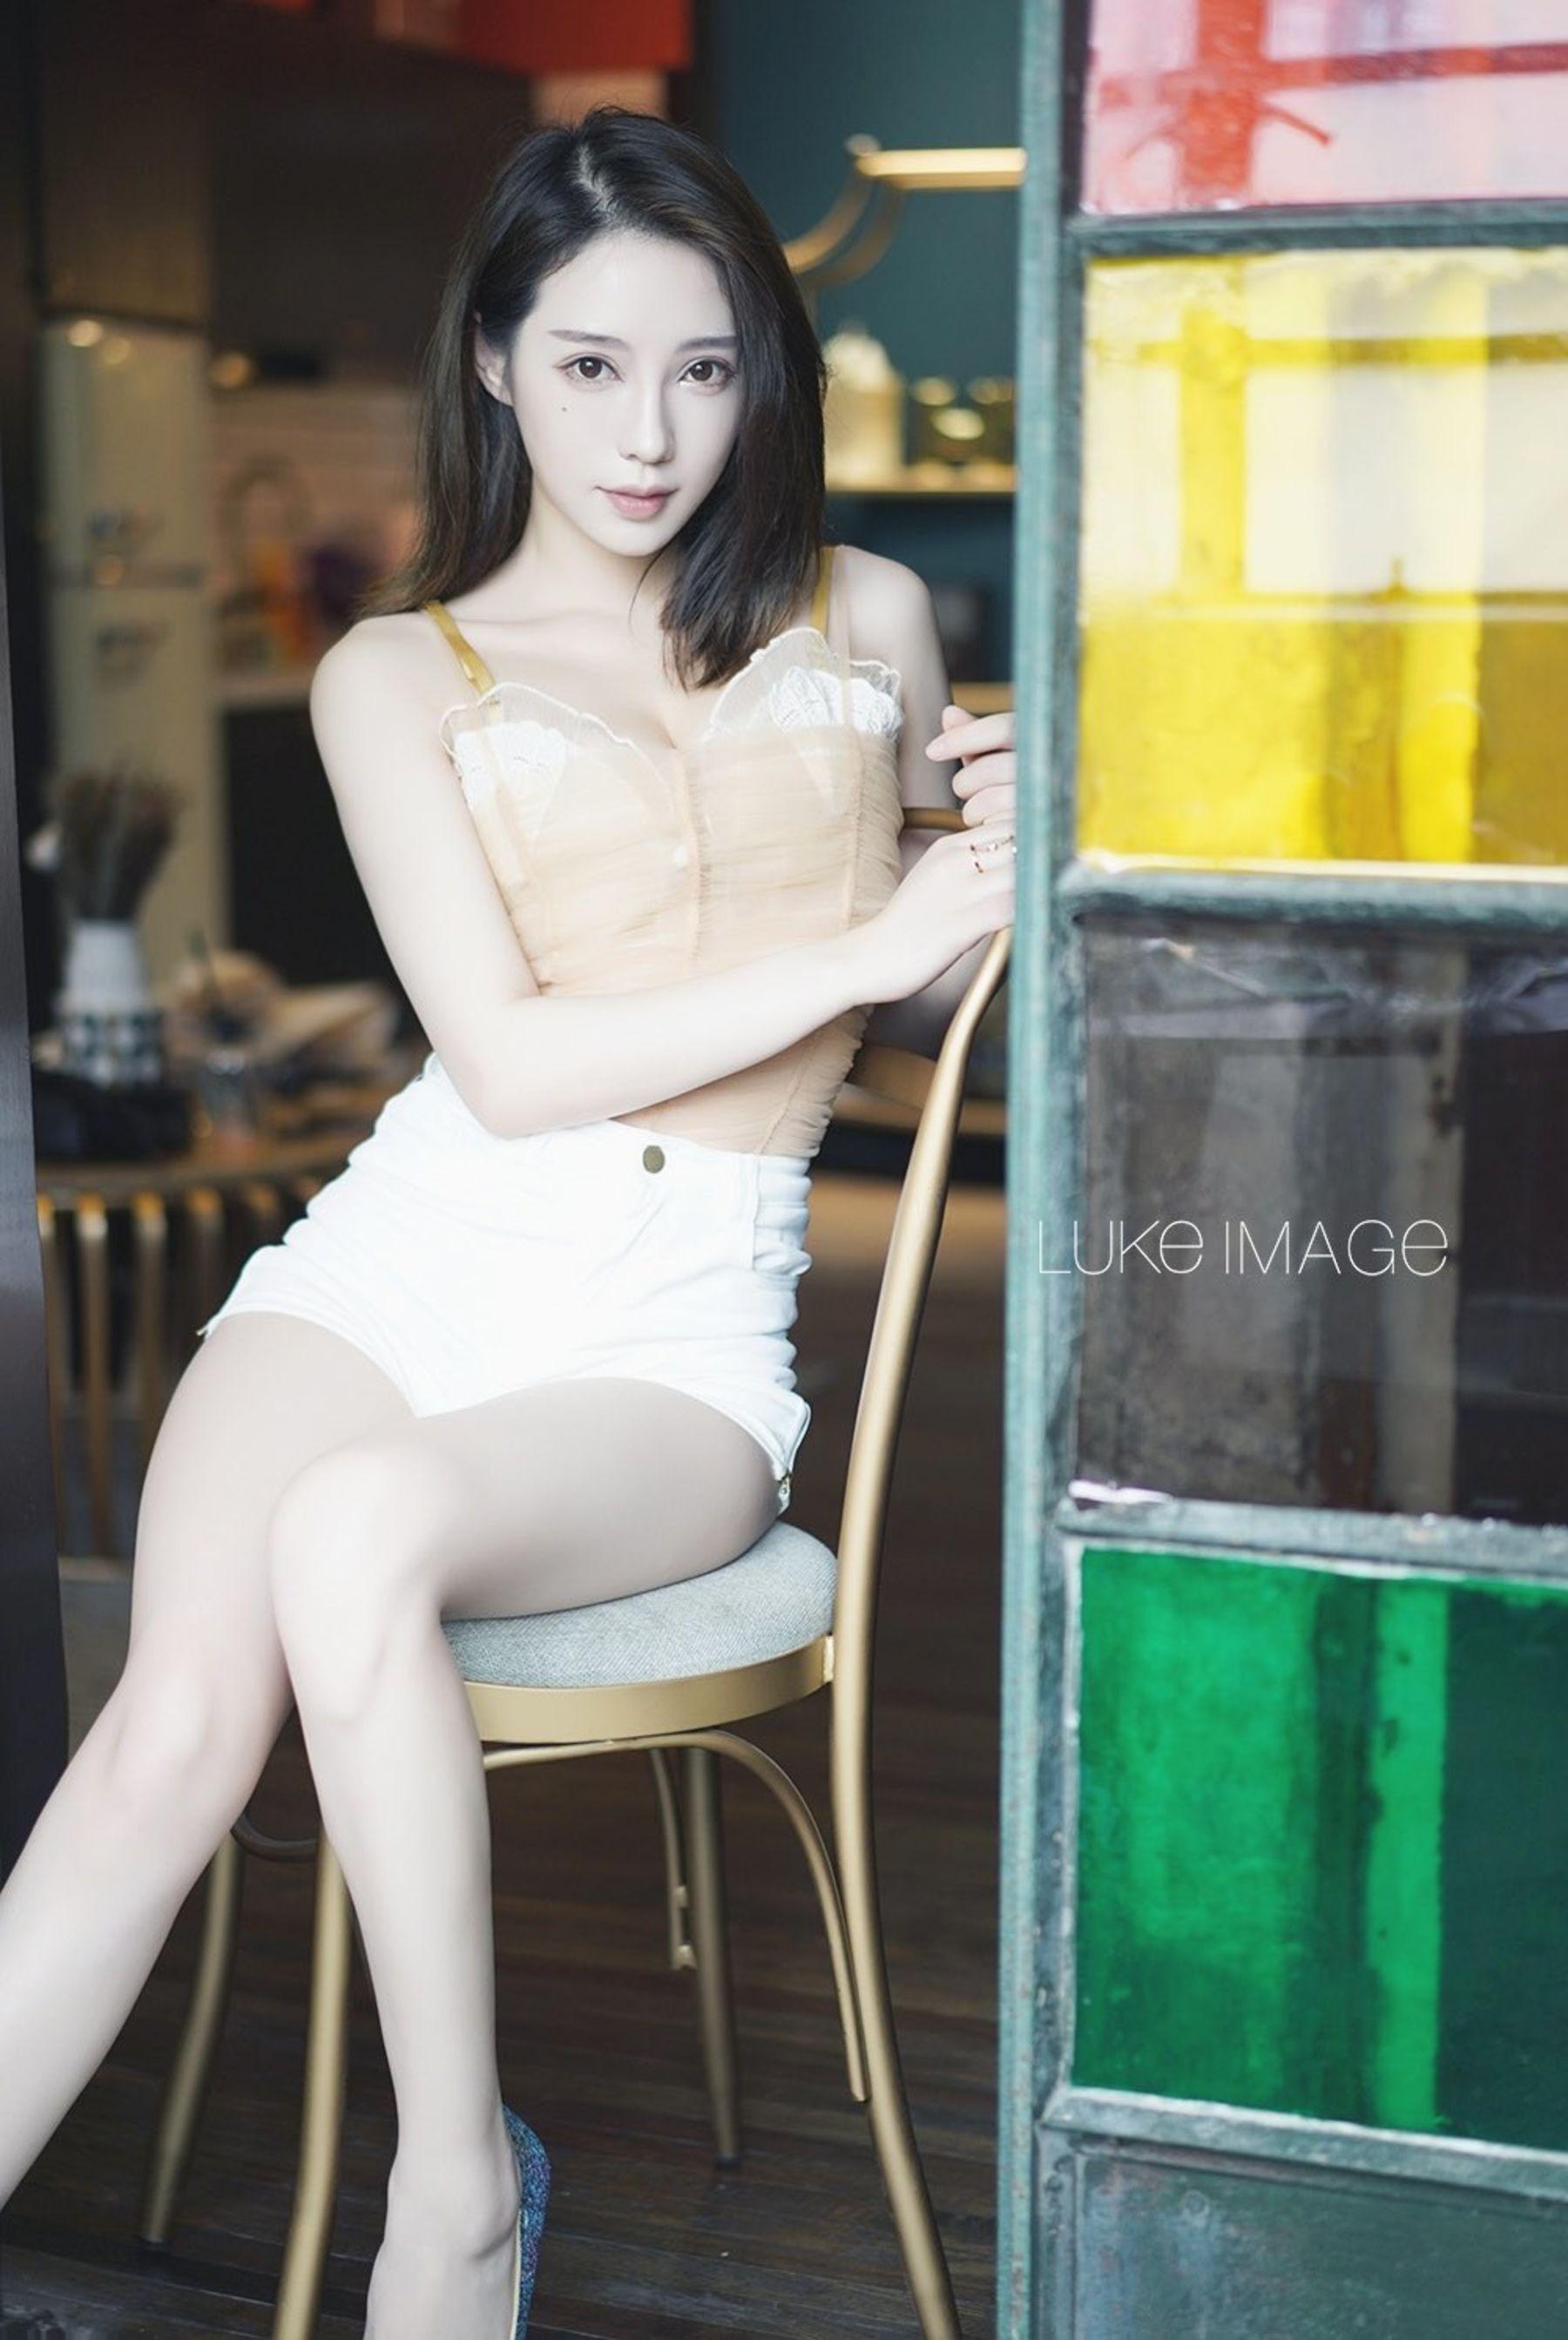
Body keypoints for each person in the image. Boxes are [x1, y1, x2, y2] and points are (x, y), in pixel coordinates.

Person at [0, 106, 1016, 2339]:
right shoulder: (397, 668)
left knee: (355, 1528)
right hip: (406, 1256)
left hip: (668, 1326)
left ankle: (449, 2194)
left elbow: (940, 994)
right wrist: (877, 942)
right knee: (172, 1727)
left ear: (763, 374)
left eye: (705, 368)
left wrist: (1005, 865)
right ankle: (465, 2187)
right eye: (589, 366)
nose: (649, 434)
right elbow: (516, 1059)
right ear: (493, 361)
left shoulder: (865, 611)